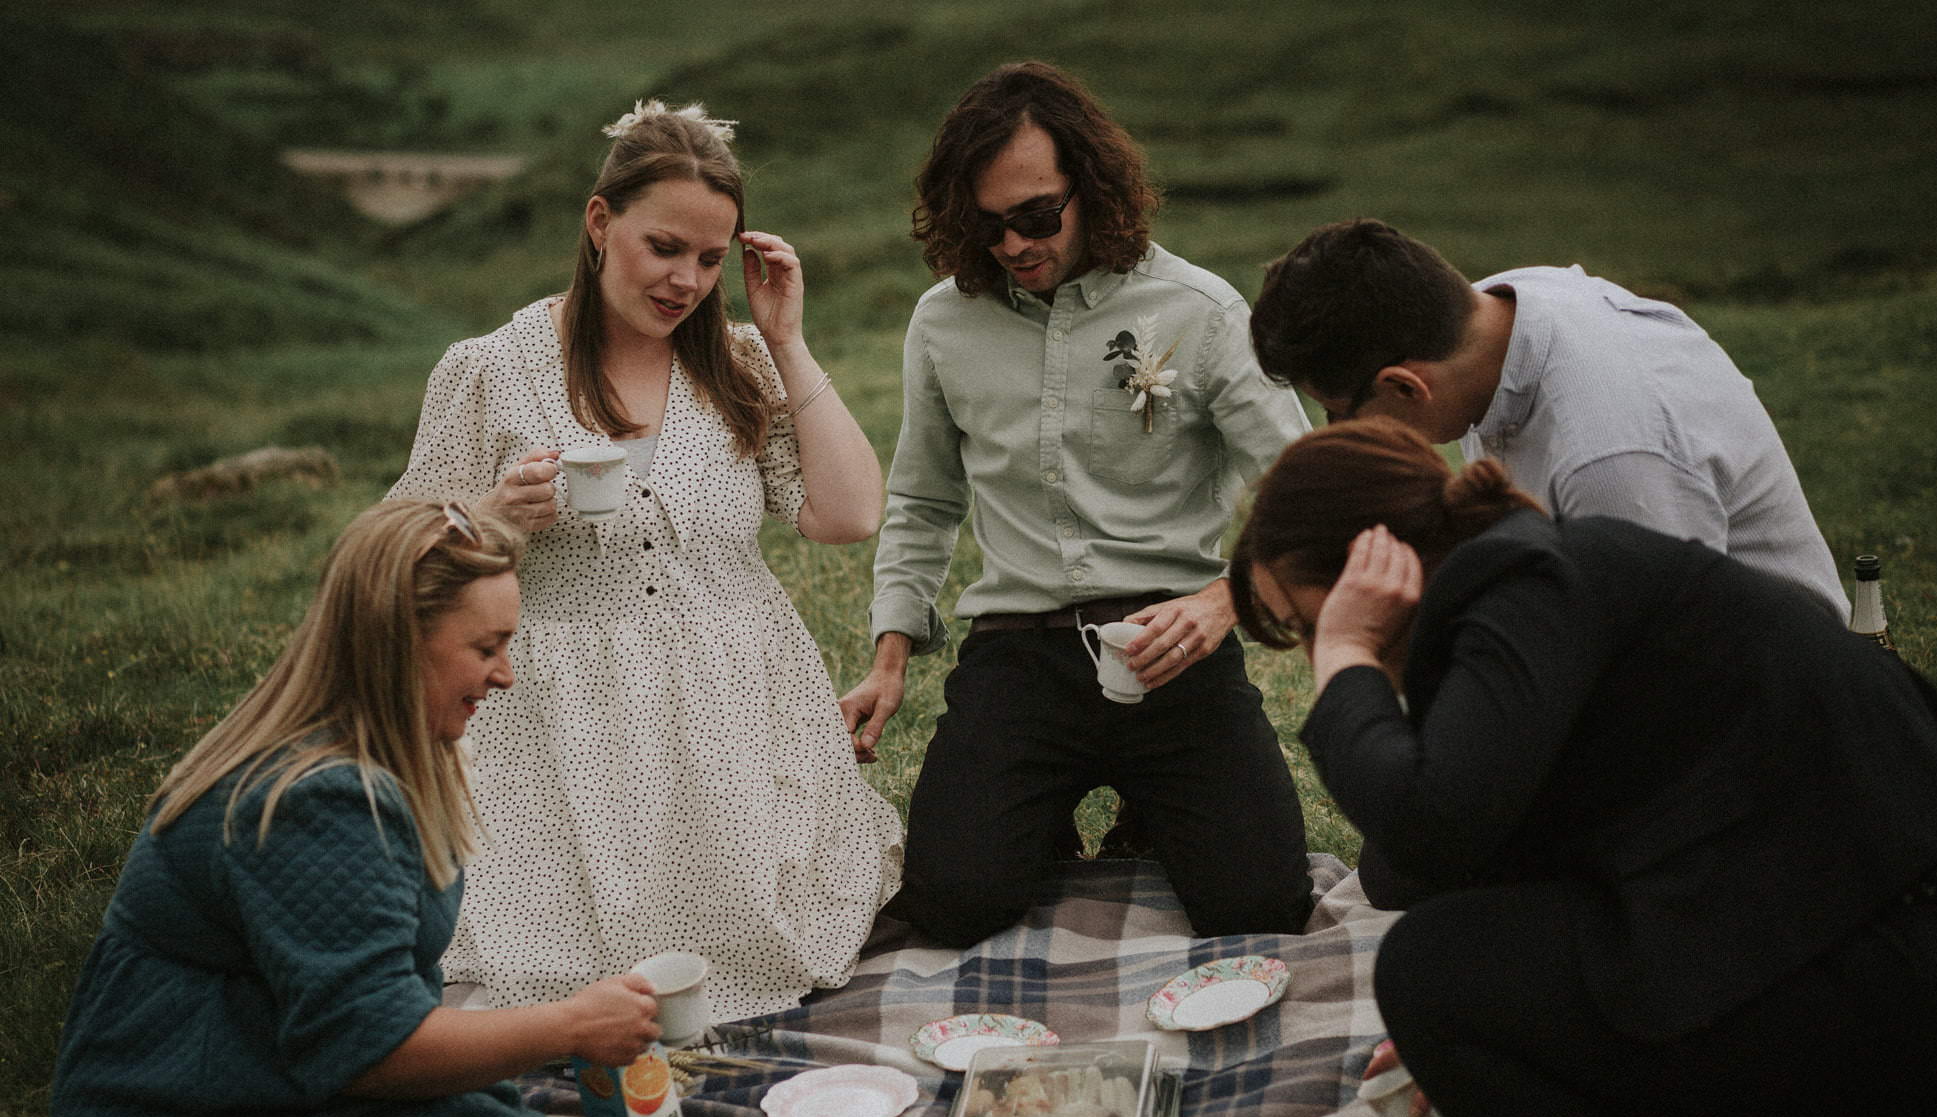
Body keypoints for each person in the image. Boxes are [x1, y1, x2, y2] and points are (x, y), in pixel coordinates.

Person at [1227, 418, 1937, 1117]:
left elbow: (1428, 830)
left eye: (1301, 618)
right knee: (1542, 1066)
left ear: (1370, 564)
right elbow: (1437, 858)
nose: (1308, 640)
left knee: (1431, 976)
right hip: (1883, 940)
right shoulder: (1518, 588)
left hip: (1910, 945)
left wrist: (1346, 656)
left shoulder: (1522, 583)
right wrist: (1521, 1028)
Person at [50, 500, 663, 1117]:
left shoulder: (363, 752)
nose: (506, 674)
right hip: (171, 1115)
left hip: (252, 1062)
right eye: (486, 647)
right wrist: (570, 1025)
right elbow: (369, 1047)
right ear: (396, 640)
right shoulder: (326, 798)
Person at [387, 100, 901, 1023]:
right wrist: (494, 516)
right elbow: (390, 557)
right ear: (599, 223)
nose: (687, 281)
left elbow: (849, 512)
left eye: (711, 259)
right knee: (553, 968)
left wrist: (786, 337)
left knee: (756, 940)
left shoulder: (738, 362)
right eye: (665, 247)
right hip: (560, 725)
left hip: (737, 710)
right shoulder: (495, 369)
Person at [837, 61, 1313, 946]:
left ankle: (1152, 811)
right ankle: (1040, 813)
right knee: (954, 904)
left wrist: (1223, 603)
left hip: (1173, 643)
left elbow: (1301, 483)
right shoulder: (943, 321)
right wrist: (891, 654)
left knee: (1261, 907)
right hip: (1020, 651)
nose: (1014, 244)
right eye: (987, 226)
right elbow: (923, 496)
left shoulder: (1201, 310)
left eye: (1036, 215)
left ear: (1092, 188)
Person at [1249, 218, 1849, 617]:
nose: (1340, 434)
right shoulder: (1493, 314)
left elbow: (1666, 671)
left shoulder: (1611, 461)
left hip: (1763, 716)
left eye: (1338, 412)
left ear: (1406, 385)